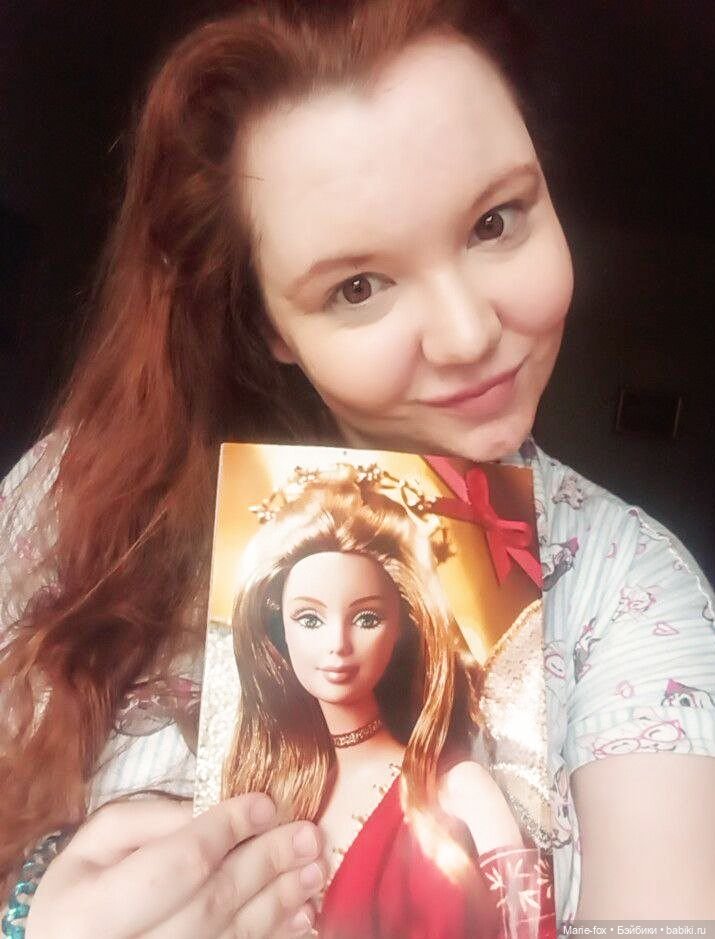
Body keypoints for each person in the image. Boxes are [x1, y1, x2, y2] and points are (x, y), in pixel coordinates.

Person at [1, 0, 714, 935]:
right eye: (357, 286)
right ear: (268, 324)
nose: (467, 335)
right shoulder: (72, 496)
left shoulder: (626, 583)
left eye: (494, 221)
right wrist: (27, 912)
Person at [220, 465, 552, 937]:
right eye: (310, 619)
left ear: (403, 628)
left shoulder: (457, 789)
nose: (338, 645)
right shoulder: (267, 797)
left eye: (367, 618)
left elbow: (531, 928)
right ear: (278, 632)